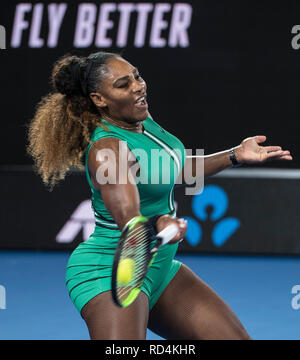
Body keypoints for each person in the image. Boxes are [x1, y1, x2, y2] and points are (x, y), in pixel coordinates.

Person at [27, 51, 292, 340]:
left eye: (137, 76)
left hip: (160, 268)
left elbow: (172, 170)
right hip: (110, 270)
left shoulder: (142, 121)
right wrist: (157, 223)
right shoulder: (109, 151)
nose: (138, 87)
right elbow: (128, 218)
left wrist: (234, 155)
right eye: (123, 84)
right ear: (99, 99)